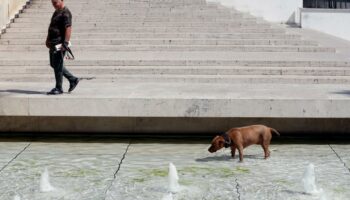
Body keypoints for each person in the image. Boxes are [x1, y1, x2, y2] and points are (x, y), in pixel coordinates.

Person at [46, 0, 79, 95]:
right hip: (52, 43)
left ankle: (59, 87)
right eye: (52, 3)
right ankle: (73, 79)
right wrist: (47, 39)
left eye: (55, 2)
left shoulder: (66, 13)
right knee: (54, 64)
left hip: (59, 44)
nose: (54, 5)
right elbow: (51, 26)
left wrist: (65, 43)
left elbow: (68, 28)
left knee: (58, 64)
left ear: (61, 0)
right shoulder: (56, 12)